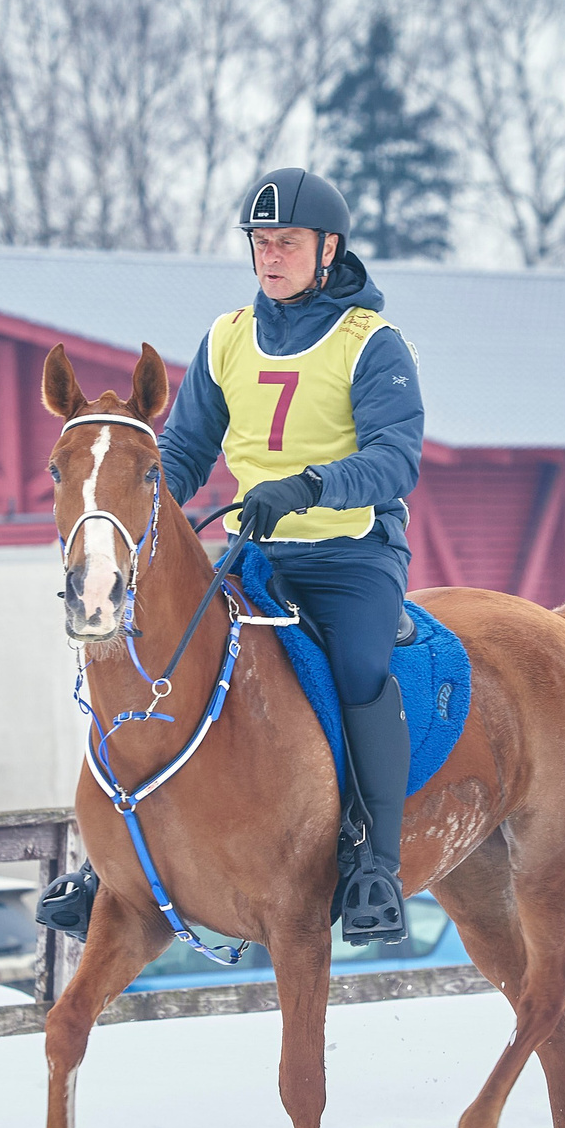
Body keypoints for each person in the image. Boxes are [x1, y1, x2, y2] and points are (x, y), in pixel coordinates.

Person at [153, 166, 426, 944]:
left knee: (360, 672)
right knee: (166, 649)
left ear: (328, 248)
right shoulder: (227, 337)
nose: (270, 257)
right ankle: (123, 851)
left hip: (350, 559)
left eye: (288, 244)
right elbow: (184, 450)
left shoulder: (372, 344)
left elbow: (394, 460)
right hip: (252, 555)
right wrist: (147, 508)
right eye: (260, 244)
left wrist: (307, 486)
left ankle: (377, 861)